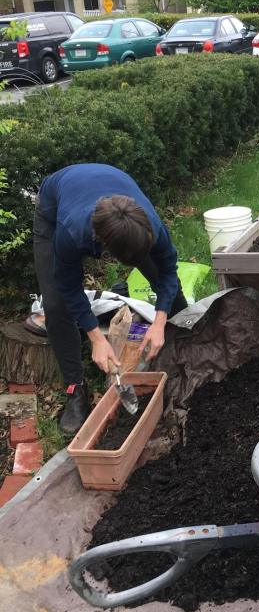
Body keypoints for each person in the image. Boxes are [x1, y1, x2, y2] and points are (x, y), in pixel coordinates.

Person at [34, 164, 187, 436]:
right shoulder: (71, 232)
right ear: (104, 247)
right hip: (55, 204)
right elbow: (69, 286)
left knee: (171, 292)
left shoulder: (149, 224)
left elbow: (167, 270)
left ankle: (187, 355)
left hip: (110, 190)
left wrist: (160, 321)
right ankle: (75, 389)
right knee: (56, 305)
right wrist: (97, 338)